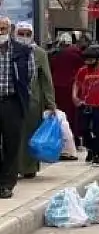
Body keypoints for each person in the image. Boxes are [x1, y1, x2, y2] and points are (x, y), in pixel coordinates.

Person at [14, 22, 55, 179]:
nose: (24, 37)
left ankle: (29, 168)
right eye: (21, 33)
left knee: (31, 135)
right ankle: (13, 168)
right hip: (13, 101)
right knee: (12, 135)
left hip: (33, 102)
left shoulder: (39, 53)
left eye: (27, 34)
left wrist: (51, 103)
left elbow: (46, 79)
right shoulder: (8, 51)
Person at [0, 17, 36, 198]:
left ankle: (6, 184)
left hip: (12, 102)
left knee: (11, 144)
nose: (1, 32)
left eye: (4, 28)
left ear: (9, 29)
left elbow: (30, 75)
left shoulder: (22, 51)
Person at [72, 47, 99, 166]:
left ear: (97, 60)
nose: (88, 62)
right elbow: (76, 83)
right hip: (85, 104)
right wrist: (74, 96)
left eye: (91, 60)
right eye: (86, 60)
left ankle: (97, 154)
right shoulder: (82, 71)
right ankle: (90, 147)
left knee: (98, 130)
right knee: (83, 129)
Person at [49, 32, 83, 158]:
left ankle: (61, 139)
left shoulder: (55, 54)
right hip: (71, 87)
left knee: (59, 114)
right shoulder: (76, 53)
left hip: (57, 87)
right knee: (73, 115)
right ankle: (74, 139)